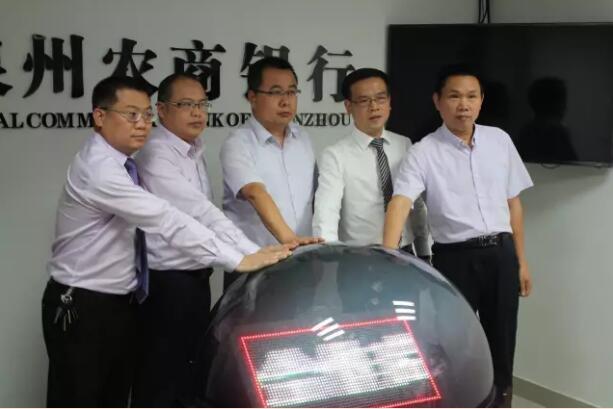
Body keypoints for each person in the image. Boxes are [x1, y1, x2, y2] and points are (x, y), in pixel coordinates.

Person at [42, 76, 290, 407]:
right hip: (84, 304)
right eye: (131, 114)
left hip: (119, 302)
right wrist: (238, 259)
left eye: (146, 115)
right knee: (83, 398)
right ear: (100, 116)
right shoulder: (99, 169)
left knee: (117, 396)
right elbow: (165, 217)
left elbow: (202, 212)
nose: (142, 124)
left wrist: (249, 252)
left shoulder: (124, 162)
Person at [382, 64, 533, 407]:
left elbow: (514, 204)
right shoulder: (424, 151)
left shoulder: (499, 140)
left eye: (471, 96)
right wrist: (386, 258)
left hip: (502, 254)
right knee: (454, 345)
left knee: (503, 343)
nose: (463, 105)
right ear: (438, 101)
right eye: (454, 96)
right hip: (455, 259)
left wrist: (522, 261)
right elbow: (400, 203)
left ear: (481, 101)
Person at [132, 73, 284, 406]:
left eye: (202, 104)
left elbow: (208, 215)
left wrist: (253, 254)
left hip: (194, 279)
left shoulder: (192, 149)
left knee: (189, 373)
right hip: (167, 285)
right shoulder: (157, 154)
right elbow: (200, 213)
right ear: (161, 110)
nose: (197, 112)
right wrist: (248, 254)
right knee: (162, 378)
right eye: (186, 104)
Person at [221, 57, 322, 289]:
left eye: (291, 92)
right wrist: (291, 241)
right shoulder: (237, 144)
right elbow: (255, 192)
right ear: (252, 97)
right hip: (255, 263)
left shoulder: (303, 139)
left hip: (301, 261)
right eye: (276, 92)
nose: (286, 101)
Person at [313, 68, 430, 258]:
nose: (374, 106)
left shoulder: (404, 144)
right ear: (348, 106)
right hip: (362, 256)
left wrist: (424, 252)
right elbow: (326, 214)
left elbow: (416, 205)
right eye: (364, 100)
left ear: (389, 102)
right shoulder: (335, 155)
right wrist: (328, 259)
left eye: (380, 98)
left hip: (406, 254)